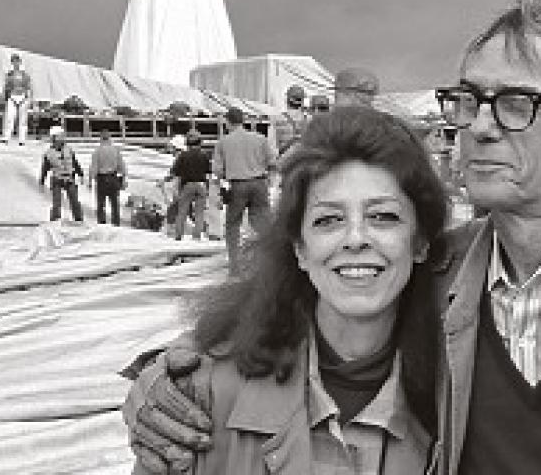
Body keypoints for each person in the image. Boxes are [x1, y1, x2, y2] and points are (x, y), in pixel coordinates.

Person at [122, 0, 541, 473]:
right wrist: (162, 382)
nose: (477, 124)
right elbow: (288, 320)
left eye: (516, 103)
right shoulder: (426, 269)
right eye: (469, 99)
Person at [124, 106, 445, 474]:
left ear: (420, 242)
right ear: (300, 249)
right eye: (329, 220)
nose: (355, 238)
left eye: (383, 216)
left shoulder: (459, 402)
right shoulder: (202, 396)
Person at [212, 107, 276, 275]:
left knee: (233, 225)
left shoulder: (223, 142)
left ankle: (235, 267)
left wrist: (220, 192)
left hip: (237, 186)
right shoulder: (260, 139)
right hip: (259, 184)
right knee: (263, 224)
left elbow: (217, 172)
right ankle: (274, 262)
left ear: (227, 122)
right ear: (243, 121)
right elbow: (272, 162)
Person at [168, 130, 211, 241]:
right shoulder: (204, 155)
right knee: (199, 213)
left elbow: (176, 174)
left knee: (182, 212)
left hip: (187, 186)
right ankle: (196, 236)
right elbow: (209, 173)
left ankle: (178, 236)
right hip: (201, 185)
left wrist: (175, 189)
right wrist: (208, 188)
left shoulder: (183, 156)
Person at [39, 126, 84, 222]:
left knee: (74, 201)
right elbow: (45, 168)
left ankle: (78, 219)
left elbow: (74, 162)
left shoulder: (68, 149)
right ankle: (55, 219)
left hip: (69, 177)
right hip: (57, 179)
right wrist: (42, 181)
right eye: (60, 137)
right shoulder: (49, 153)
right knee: (57, 202)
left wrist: (81, 174)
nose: (62, 139)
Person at [88, 129, 127, 225]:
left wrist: (90, 180)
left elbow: (94, 167)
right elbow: (122, 166)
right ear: (110, 138)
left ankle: (102, 224)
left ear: (100, 138)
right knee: (115, 204)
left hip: (101, 179)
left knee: (101, 204)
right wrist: (124, 178)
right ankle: (116, 223)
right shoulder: (115, 150)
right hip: (113, 178)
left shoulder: (97, 152)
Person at [0, 53, 33, 145]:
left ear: (20, 62)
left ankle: (22, 139)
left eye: (17, 61)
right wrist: (3, 97)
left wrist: (29, 99)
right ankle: (6, 137)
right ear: (12, 63)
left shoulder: (25, 75)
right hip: (12, 97)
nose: (15, 63)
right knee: (10, 117)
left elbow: (29, 88)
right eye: (14, 61)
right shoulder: (9, 75)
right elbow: (6, 87)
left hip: (22, 97)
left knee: (23, 119)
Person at [268, 84, 308, 156]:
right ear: (302, 101)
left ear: (287, 100)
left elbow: (272, 150)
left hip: (284, 162)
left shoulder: (276, 119)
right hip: (304, 163)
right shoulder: (310, 121)